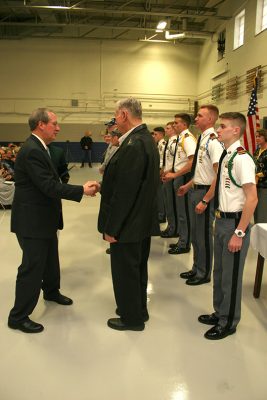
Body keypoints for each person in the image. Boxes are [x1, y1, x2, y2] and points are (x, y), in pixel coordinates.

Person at [8, 108, 99, 334]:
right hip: (32, 221)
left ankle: (51, 291)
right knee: (32, 266)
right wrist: (81, 190)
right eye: (54, 124)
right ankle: (18, 317)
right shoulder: (32, 150)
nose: (58, 128)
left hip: (43, 219)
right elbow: (48, 186)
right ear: (41, 124)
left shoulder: (42, 148)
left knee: (50, 259)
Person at [98, 97, 160, 331]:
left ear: (124, 115)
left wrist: (112, 228)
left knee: (125, 271)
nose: (115, 120)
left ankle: (130, 318)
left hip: (127, 223)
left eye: (116, 115)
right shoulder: (144, 139)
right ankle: (136, 309)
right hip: (139, 220)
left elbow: (125, 193)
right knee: (137, 269)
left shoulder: (134, 144)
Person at [198, 112, 257, 340]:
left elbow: (252, 199)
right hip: (221, 220)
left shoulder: (242, 158)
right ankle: (219, 312)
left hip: (235, 223)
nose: (218, 130)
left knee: (231, 277)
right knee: (220, 272)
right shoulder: (226, 154)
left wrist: (240, 232)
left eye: (222, 126)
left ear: (236, 130)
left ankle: (229, 322)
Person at [178, 105, 223, 285]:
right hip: (196, 189)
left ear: (210, 119)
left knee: (203, 235)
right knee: (196, 234)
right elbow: (201, 171)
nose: (195, 119)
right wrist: (189, 185)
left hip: (205, 193)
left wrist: (205, 199)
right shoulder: (203, 139)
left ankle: (204, 273)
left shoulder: (213, 141)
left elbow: (218, 174)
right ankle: (196, 267)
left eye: (199, 116)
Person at [163, 113, 196, 254]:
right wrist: (170, 171)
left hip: (184, 177)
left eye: (176, 123)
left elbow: (192, 162)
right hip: (178, 176)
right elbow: (180, 162)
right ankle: (182, 239)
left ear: (184, 125)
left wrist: (175, 174)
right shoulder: (181, 138)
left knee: (184, 214)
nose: (174, 125)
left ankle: (184, 244)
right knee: (180, 212)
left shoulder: (188, 139)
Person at [160, 122, 179, 238]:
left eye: (168, 128)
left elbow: (177, 162)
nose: (166, 130)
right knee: (168, 204)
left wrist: (168, 171)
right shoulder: (170, 142)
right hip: (166, 175)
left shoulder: (176, 141)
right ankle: (170, 226)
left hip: (171, 176)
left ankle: (174, 229)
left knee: (172, 205)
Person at [152, 126, 166, 224]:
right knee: (158, 194)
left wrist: (160, 172)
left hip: (161, 171)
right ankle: (160, 213)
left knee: (161, 195)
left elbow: (163, 161)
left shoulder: (163, 144)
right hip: (158, 170)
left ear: (161, 134)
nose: (154, 136)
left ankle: (162, 214)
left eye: (156, 134)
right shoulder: (158, 144)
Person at [253, 128, 267, 223]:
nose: (257, 138)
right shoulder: (257, 151)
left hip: (264, 186)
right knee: (255, 211)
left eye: (259, 136)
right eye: (256, 136)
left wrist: (258, 175)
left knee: (262, 212)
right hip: (254, 185)